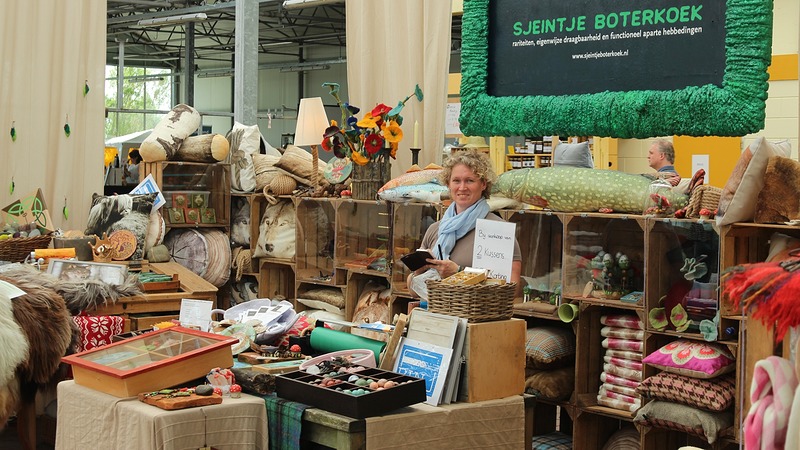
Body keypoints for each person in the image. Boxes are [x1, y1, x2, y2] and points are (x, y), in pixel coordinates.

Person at [408, 149, 522, 297]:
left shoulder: (499, 232)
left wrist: (459, 272)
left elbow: (509, 292)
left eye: (470, 180)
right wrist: (419, 271)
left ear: (483, 184)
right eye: (456, 181)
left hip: (477, 318)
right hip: (438, 317)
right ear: (448, 184)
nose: (462, 187)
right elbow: (413, 291)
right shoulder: (435, 229)